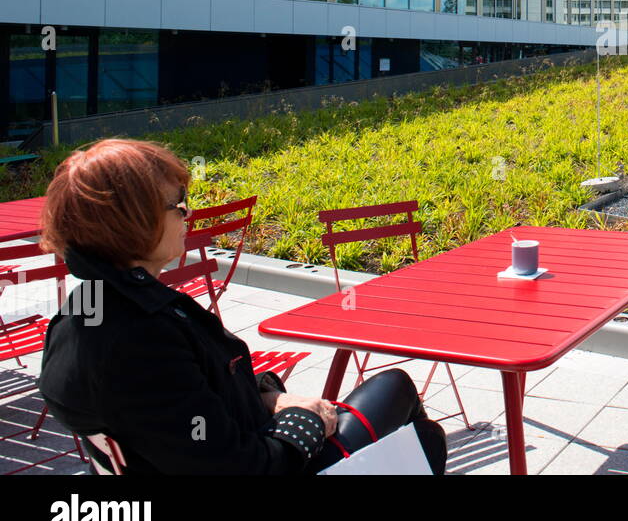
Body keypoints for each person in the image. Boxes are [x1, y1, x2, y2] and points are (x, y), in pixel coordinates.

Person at [38, 139, 449, 474]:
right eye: (177, 205)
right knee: (405, 403)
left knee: (408, 421)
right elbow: (238, 466)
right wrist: (304, 424)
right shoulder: (139, 339)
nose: (189, 214)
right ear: (134, 223)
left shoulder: (82, 313)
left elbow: (190, 406)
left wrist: (271, 400)